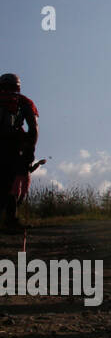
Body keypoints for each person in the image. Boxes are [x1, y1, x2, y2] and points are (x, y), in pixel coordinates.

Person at [0, 74, 40, 235]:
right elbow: (33, 128)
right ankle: (10, 220)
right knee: (11, 184)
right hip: (13, 146)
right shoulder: (24, 102)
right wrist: (30, 150)